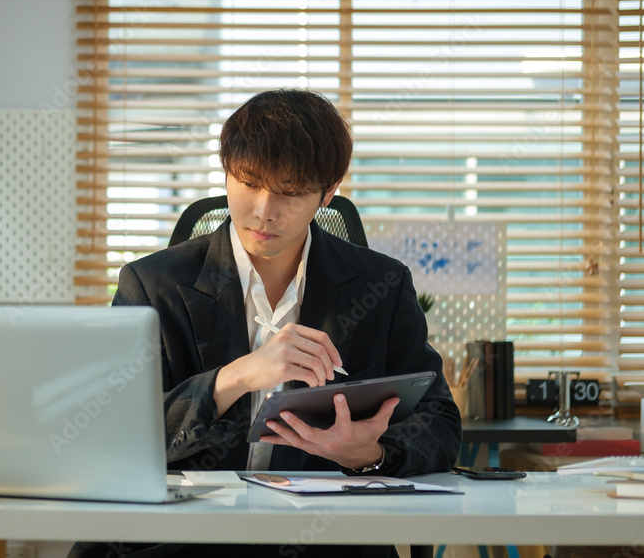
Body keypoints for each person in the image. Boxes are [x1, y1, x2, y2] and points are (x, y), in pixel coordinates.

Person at [69, 89, 461, 558]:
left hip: (324, 536)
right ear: (227, 173)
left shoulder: (381, 285)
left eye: (290, 192)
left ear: (328, 192)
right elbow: (111, 432)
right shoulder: (153, 285)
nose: (263, 210)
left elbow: (439, 423)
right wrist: (235, 377)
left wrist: (370, 455)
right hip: (184, 538)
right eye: (249, 182)